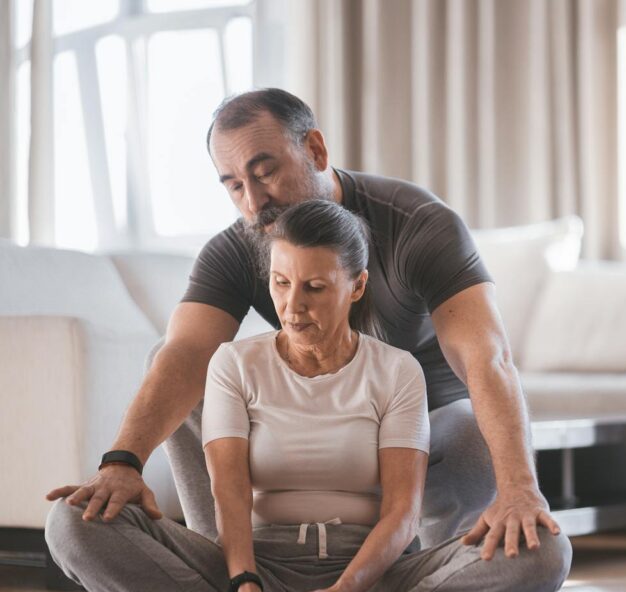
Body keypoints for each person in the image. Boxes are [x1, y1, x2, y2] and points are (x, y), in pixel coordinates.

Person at [45, 200, 572, 592]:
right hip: (255, 574)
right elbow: (227, 493)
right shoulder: (232, 363)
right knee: (70, 521)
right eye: (280, 283)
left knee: (546, 551)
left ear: (357, 287)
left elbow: (402, 515)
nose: (293, 306)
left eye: (315, 288)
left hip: (376, 582)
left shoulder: (397, 371)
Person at [45, 87, 558, 561]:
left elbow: (487, 358)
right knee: (176, 359)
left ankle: (438, 567)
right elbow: (181, 355)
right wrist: (122, 462)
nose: (253, 201)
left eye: (264, 172)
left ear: (315, 150)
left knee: (469, 432)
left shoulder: (418, 224)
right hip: (311, 424)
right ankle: (222, 569)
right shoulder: (240, 244)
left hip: (424, 428)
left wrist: (519, 487)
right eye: (234, 186)